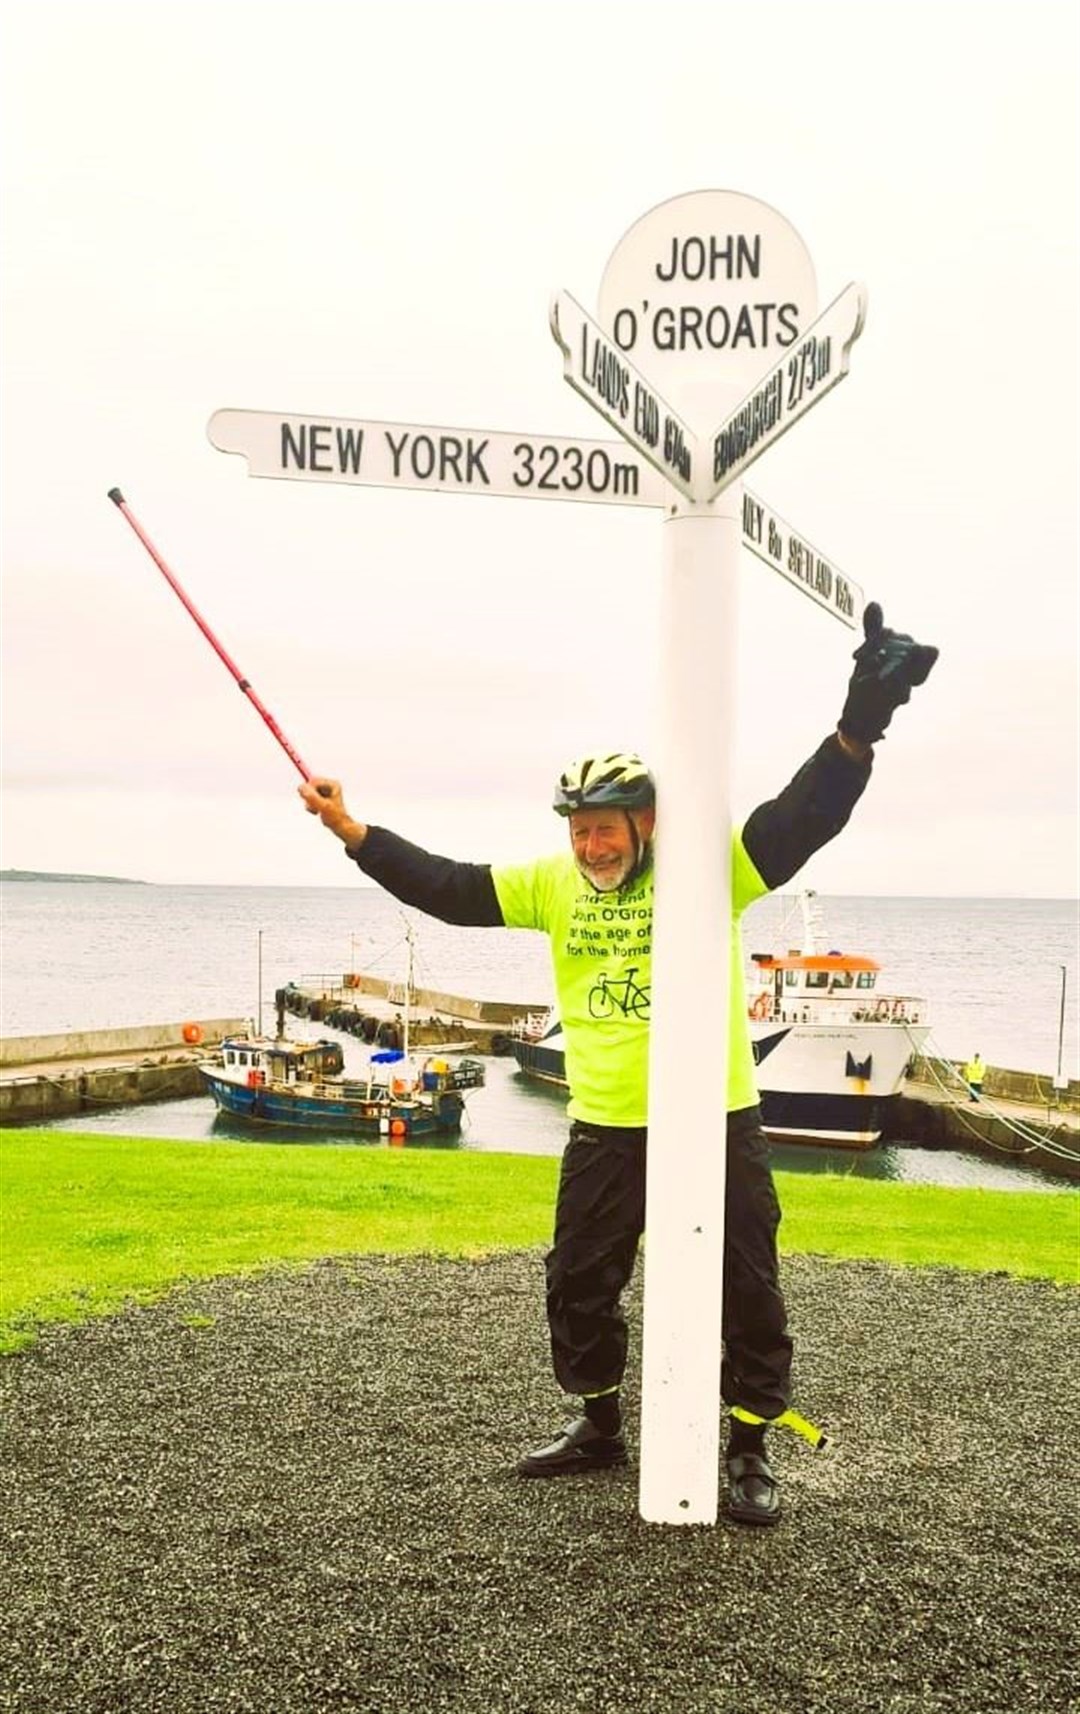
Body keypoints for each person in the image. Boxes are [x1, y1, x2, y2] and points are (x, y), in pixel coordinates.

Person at [300, 602, 937, 1526]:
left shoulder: (702, 865)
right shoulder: (553, 883)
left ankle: (750, 1445)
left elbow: (804, 818)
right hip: (605, 1121)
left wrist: (860, 724)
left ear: (644, 822)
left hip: (717, 1112)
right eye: (578, 828)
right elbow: (449, 889)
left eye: (607, 827)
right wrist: (357, 833)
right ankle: (600, 1425)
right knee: (577, 1280)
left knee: (748, 1284)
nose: (591, 845)